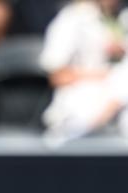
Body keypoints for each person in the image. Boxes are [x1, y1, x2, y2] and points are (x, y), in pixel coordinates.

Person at [41, 0, 128, 142]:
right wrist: (107, 76)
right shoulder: (71, 19)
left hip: (120, 107)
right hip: (81, 104)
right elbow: (57, 76)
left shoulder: (125, 17)